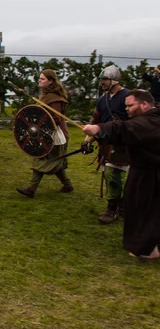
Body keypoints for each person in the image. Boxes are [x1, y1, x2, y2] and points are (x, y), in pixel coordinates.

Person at [83, 90, 160, 258]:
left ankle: (148, 249)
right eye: (126, 106)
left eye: (130, 106)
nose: (127, 109)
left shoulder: (149, 123)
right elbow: (126, 132)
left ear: (144, 104)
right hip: (144, 171)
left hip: (150, 174)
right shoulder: (147, 121)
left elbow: (124, 128)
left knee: (145, 209)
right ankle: (148, 246)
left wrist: (99, 128)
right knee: (139, 207)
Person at [82, 65, 130, 224]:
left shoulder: (127, 96)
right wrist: (87, 141)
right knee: (111, 175)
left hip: (125, 144)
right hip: (107, 144)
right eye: (102, 79)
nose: (102, 82)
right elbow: (96, 122)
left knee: (123, 177)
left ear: (114, 80)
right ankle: (115, 206)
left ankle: (119, 206)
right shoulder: (102, 99)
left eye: (105, 79)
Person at [16, 69, 73, 198]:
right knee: (54, 162)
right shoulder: (47, 96)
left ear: (50, 81)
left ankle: (31, 189)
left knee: (42, 159)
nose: (39, 80)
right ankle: (67, 185)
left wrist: (39, 126)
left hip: (56, 135)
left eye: (42, 79)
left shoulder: (55, 98)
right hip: (46, 133)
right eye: (39, 78)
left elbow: (56, 119)